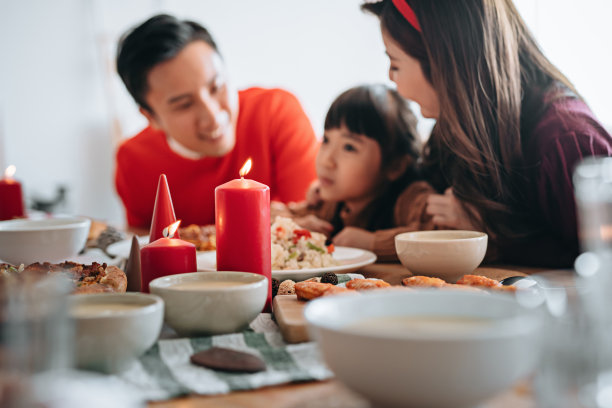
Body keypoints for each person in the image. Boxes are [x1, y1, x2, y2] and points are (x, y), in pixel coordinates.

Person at [362, 0, 612, 267]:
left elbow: (601, 262)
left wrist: (492, 235)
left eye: (395, 63)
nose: (390, 76)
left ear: (443, 62)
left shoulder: (566, 141)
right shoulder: (463, 130)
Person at [114, 14, 318, 229]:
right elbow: (148, 250)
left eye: (216, 87)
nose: (213, 117)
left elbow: (313, 224)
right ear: (150, 117)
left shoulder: (276, 111)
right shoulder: (134, 161)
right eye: (184, 104)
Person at [272, 84, 435, 261]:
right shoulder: (331, 203)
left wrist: (373, 243)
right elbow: (272, 216)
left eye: (349, 147)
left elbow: (437, 235)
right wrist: (298, 226)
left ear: (395, 166)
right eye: (326, 140)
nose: (327, 160)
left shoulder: (411, 198)